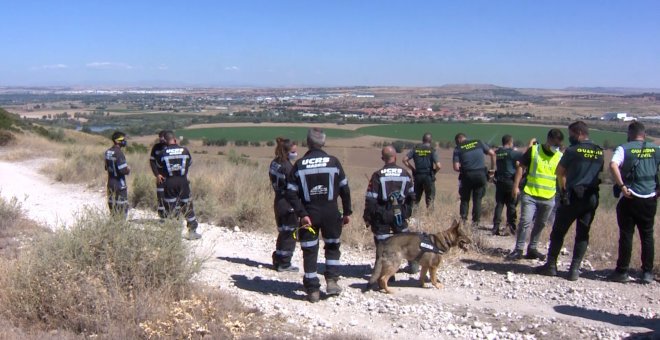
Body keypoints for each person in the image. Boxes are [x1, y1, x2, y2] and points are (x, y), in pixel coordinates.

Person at [286, 128, 352, 303]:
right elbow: (345, 189)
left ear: (308, 143)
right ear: (323, 143)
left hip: (309, 215)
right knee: (332, 246)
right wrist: (347, 212)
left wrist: (302, 213)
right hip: (331, 212)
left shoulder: (299, 165)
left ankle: (312, 289)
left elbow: (291, 193)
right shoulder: (334, 162)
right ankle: (332, 281)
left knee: (309, 250)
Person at [536, 121, 603, 281]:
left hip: (573, 196)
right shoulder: (599, 151)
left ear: (579, 133)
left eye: (571, 134)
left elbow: (560, 172)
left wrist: (564, 191)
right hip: (591, 197)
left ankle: (551, 266)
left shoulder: (573, 151)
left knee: (558, 231)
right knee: (582, 234)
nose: (570, 137)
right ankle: (574, 270)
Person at [608, 121, 660, 284]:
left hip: (630, 196)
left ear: (630, 133)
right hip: (650, 197)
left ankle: (622, 271)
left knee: (626, 235)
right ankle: (647, 273)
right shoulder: (656, 149)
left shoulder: (624, 148)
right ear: (644, 134)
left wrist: (621, 186)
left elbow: (613, 164)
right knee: (647, 235)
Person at [507, 129, 564, 261]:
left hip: (549, 196)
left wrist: (563, 192)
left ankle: (532, 249)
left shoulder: (560, 156)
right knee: (525, 221)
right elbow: (521, 167)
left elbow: (561, 175)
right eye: (554, 144)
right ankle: (518, 249)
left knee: (541, 224)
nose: (556, 147)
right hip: (530, 194)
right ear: (548, 140)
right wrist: (515, 186)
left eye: (558, 145)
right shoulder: (534, 150)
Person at [364, 146, 417, 275]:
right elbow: (412, 197)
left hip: (382, 213)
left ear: (383, 158)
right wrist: (407, 211)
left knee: (382, 243)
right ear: (396, 157)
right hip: (399, 212)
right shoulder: (405, 174)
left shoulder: (378, 175)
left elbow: (371, 199)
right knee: (405, 239)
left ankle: (384, 272)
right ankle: (413, 265)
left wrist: (368, 216)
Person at [157, 131, 201, 240]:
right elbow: (189, 163)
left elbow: (159, 167)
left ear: (165, 141)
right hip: (183, 181)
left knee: (171, 207)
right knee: (187, 205)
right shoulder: (185, 150)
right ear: (175, 140)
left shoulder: (162, 153)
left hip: (169, 182)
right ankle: (192, 232)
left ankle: (174, 234)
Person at [269, 137, 299, 272]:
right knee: (290, 234)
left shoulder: (274, 163)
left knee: (283, 233)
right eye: (294, 151)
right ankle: (285, 263)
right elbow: (294, 187)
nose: (295, 153)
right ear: (287, 151)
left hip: (278, 201)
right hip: (288, 204)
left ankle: (278, 259)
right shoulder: (288, 167)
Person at [452, 133, 496, 227]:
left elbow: (456, 167)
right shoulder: (478, 142)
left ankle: (463, 222)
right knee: (477, 200)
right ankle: (475, 223)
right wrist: (492, 170)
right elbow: (492, 154)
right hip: (481, 175)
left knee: (464, 199)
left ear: (459, 140)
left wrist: (464, 169)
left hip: (467, 175)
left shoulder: (458, 148)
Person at [492, 135, 523, 235]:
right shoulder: (513, 153)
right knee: (511, 204)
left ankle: (495, 227)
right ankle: (511, 226)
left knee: (499, 204)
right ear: (510, 142)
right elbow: (523, 156)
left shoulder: (499, 152)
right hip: (510, 181)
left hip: (500, 181)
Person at [403, 133, 441, 209]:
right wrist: (434, 172)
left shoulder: (415, 149)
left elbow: (404, 160)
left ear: (423, 140)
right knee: (430, 198)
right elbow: (439, 166)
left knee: (416, 199)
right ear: (430, 141)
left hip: (418, 176)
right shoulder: (432, 150)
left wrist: (412, 169)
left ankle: (414, 215)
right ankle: (430, 217)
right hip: (428, 176)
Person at [104, 131, 130, 218]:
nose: (124, 141)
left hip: (110, 183)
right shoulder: (119, 153)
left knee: (112, 208)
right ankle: (120, 227)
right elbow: (123, 170)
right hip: (120, 184)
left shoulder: (107, 152)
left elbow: (106, 167)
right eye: (123, 139)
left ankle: (114, 227)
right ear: (117, 141)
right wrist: (128, 169)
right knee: (122, 208)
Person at [149, 130, 168, 218]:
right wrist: (157, 174)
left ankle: (172, 216)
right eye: (160, 136)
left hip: (171, 177)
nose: (161, 138)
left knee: (171, 196)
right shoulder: (156, 147)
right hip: (160, 177)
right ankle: (162, 216)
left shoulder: (170, 147)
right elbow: (152, 161)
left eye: (163, 136)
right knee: (160, 196)